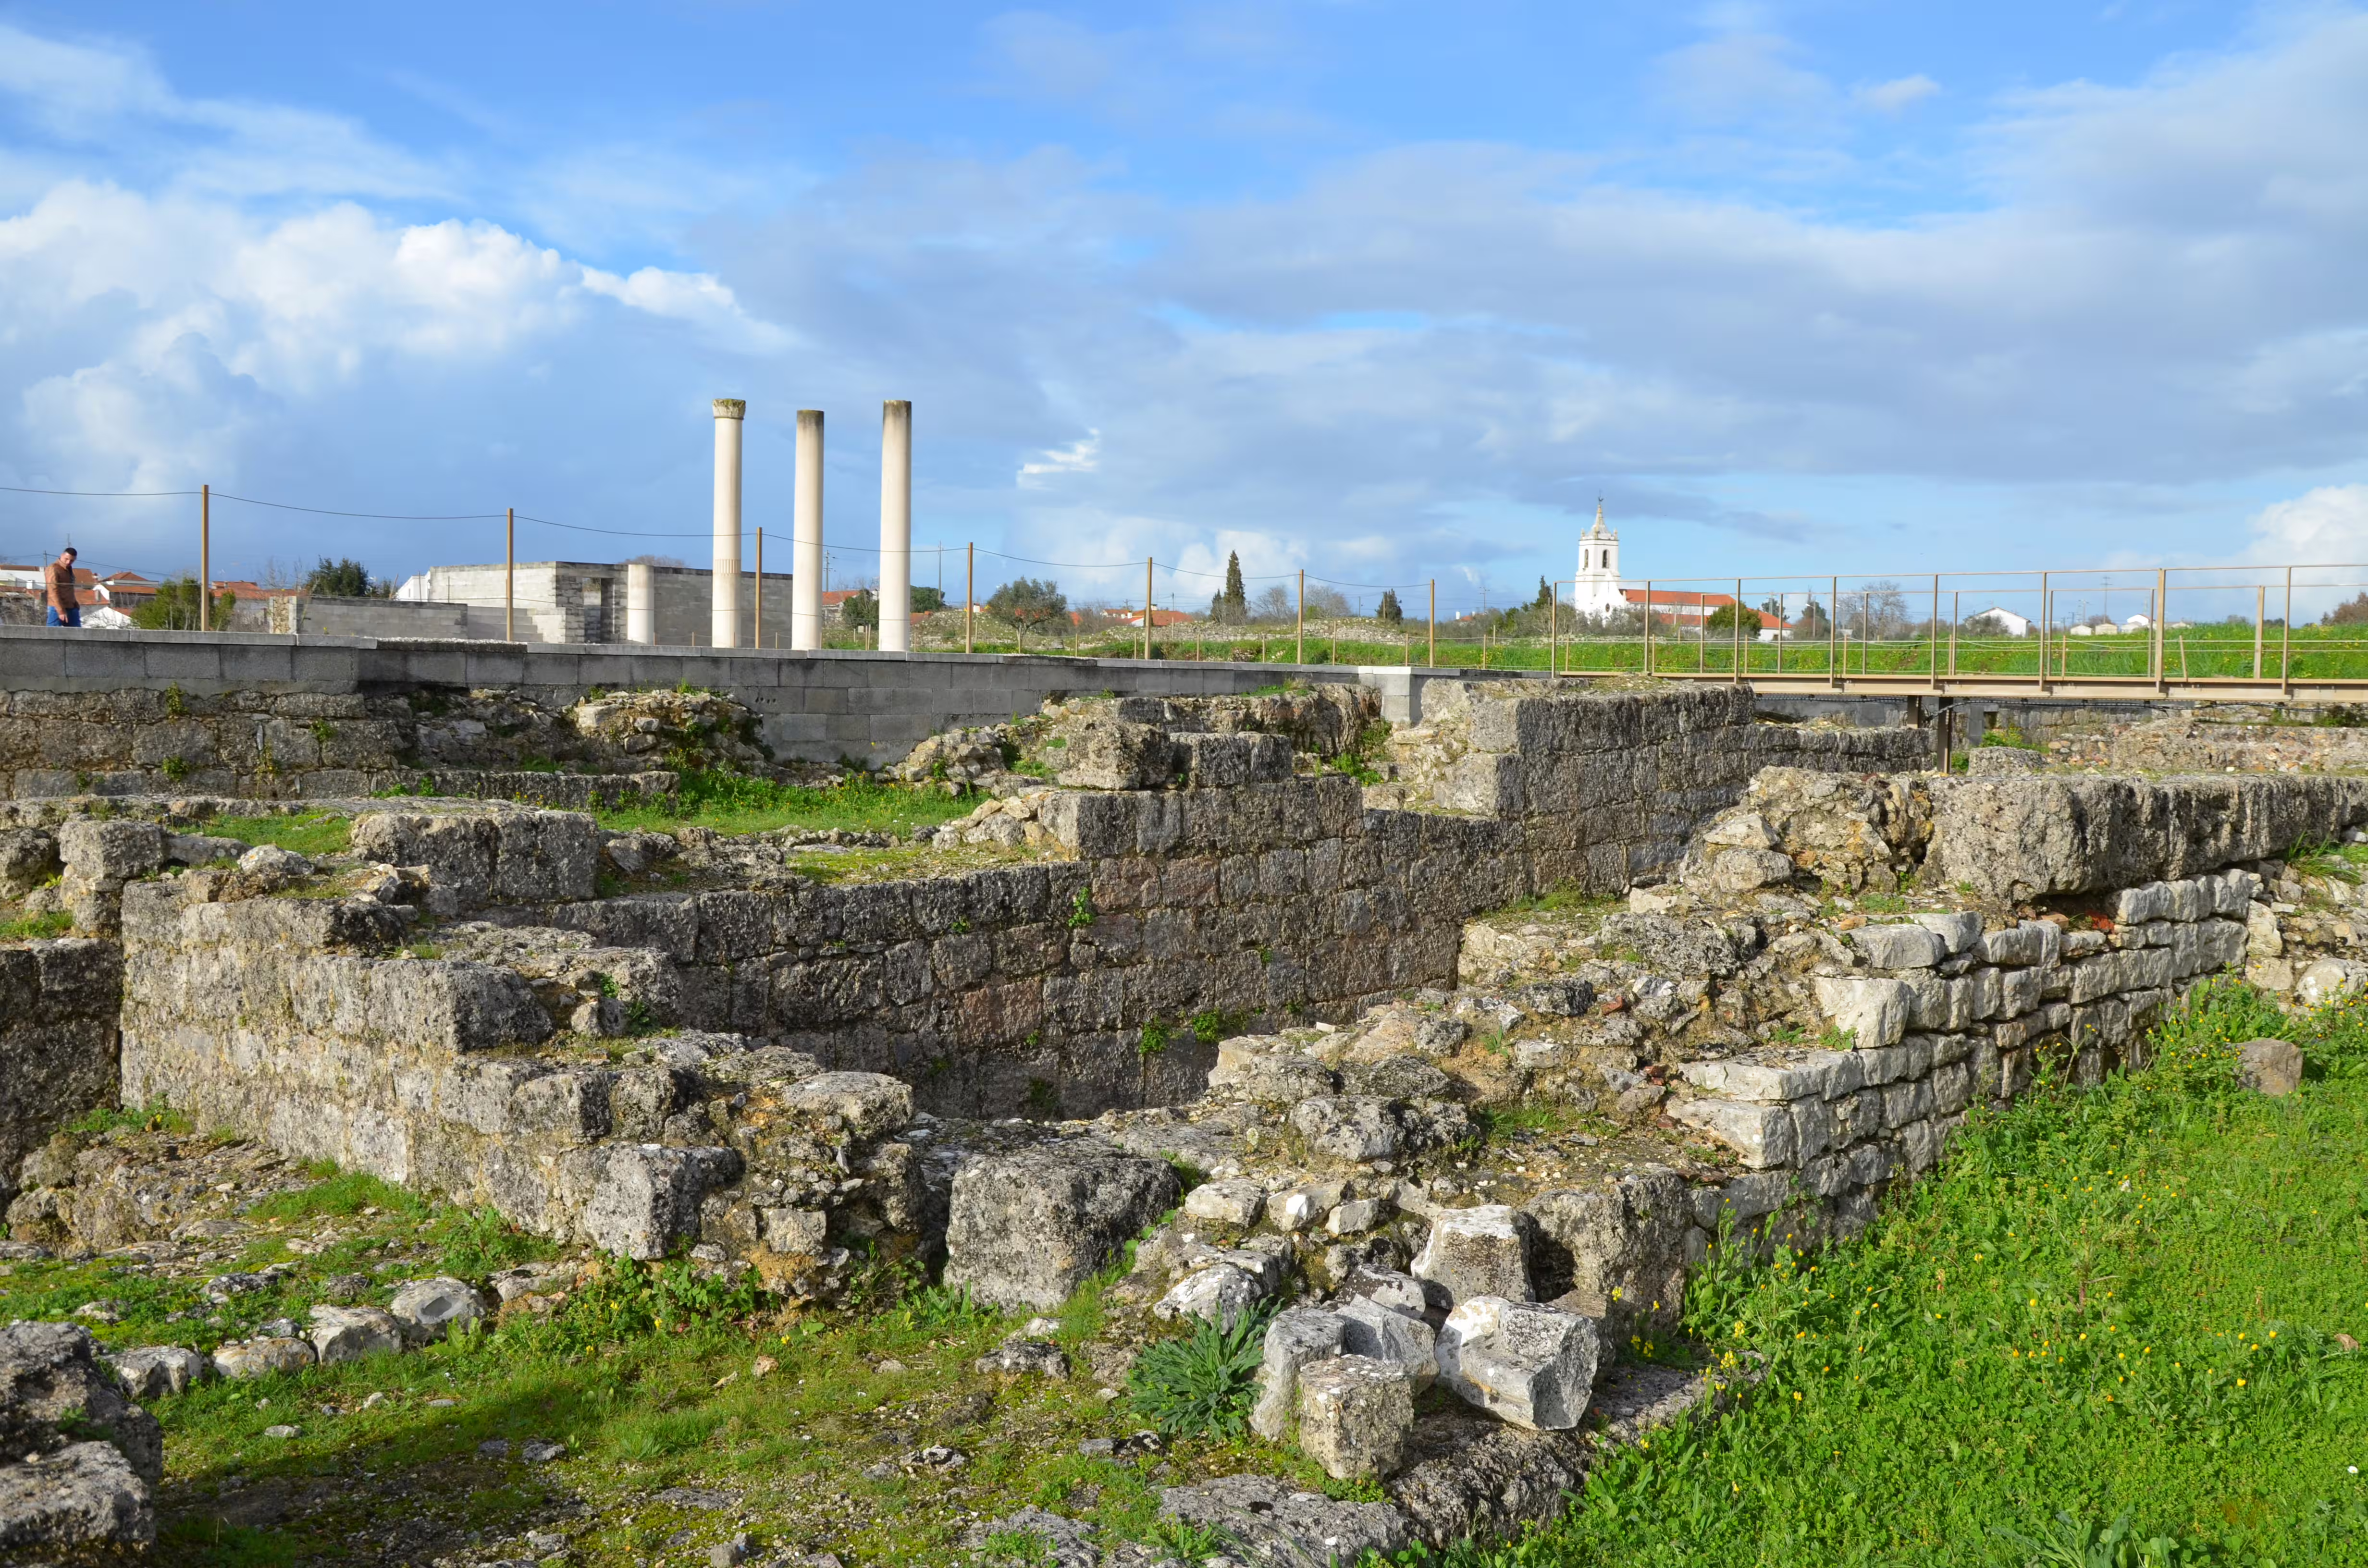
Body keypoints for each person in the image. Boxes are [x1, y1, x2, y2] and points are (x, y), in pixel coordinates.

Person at [43, 547, 81, 628]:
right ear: (62, 556)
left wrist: (75, 603)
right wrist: (60, 611)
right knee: (52, 635)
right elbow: (52, 590)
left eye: (72, 561)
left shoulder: (69, 569)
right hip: (56, 608)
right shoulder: (53, 568)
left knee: (78, 636)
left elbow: (69, 589)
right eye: (66, 559)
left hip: (71, 607)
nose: (68, 562)